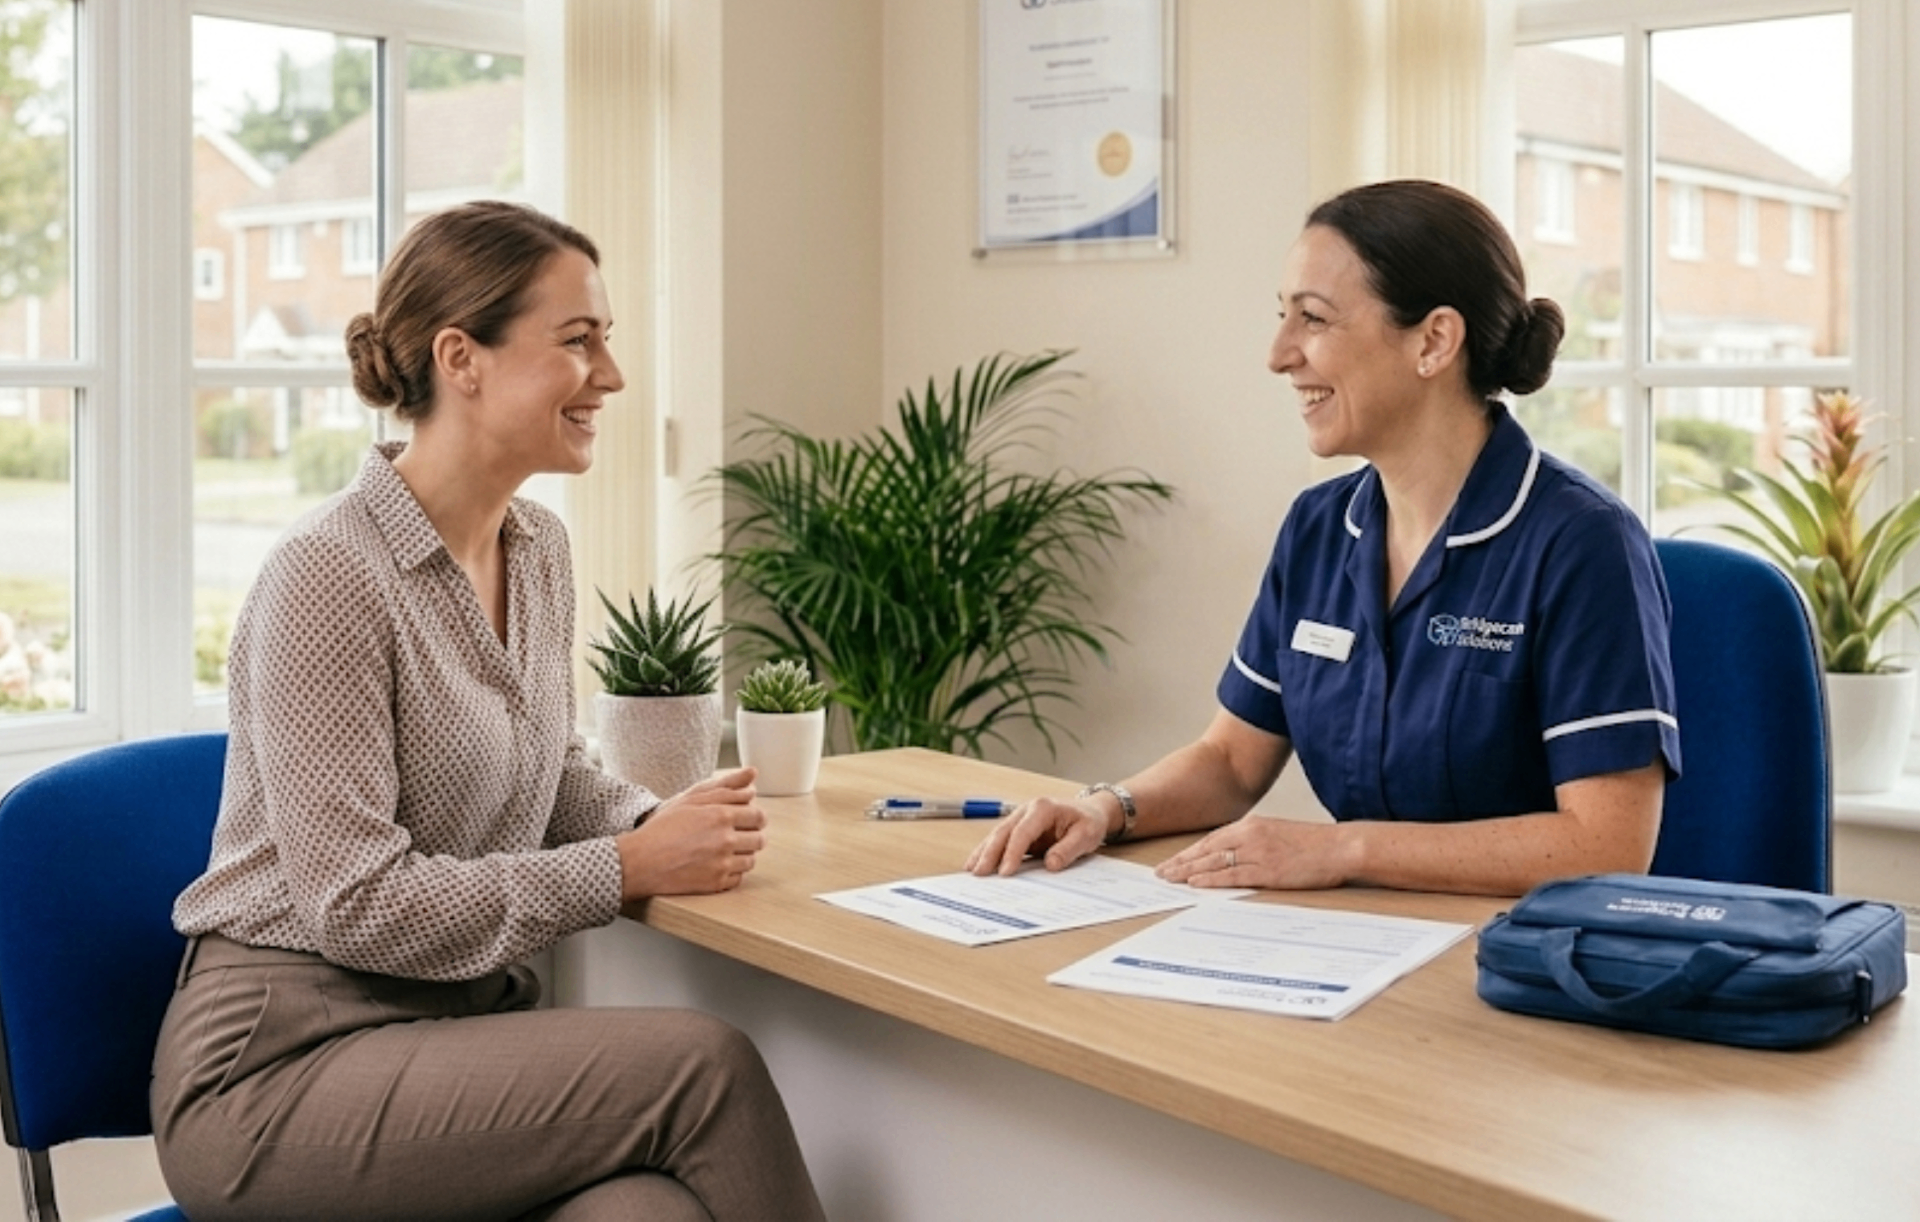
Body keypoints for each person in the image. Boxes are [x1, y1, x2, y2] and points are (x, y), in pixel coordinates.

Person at [152, 201, 826, 1222]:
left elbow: (545, 775)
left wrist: (660, 827)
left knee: (645, 1213)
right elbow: (358, 905)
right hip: (278, 1068)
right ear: (461, 358)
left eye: (608, 340)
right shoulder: (328, 578)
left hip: (450, 1039)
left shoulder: (537, 550)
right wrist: (626, 869)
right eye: (577, 340)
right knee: (702, 1067)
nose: (612, 376)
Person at [967, 179, 1681, 897]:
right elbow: (1230, 759)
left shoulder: (1583, 542)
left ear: (1433, 340)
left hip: (1518, 962)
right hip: (1358, 943)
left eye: (1312, 319)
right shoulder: (1318, 526)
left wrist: (1343, 848)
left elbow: (1605, 845)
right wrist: (1104, 807)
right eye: (1284, 316)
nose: (1279, 354)